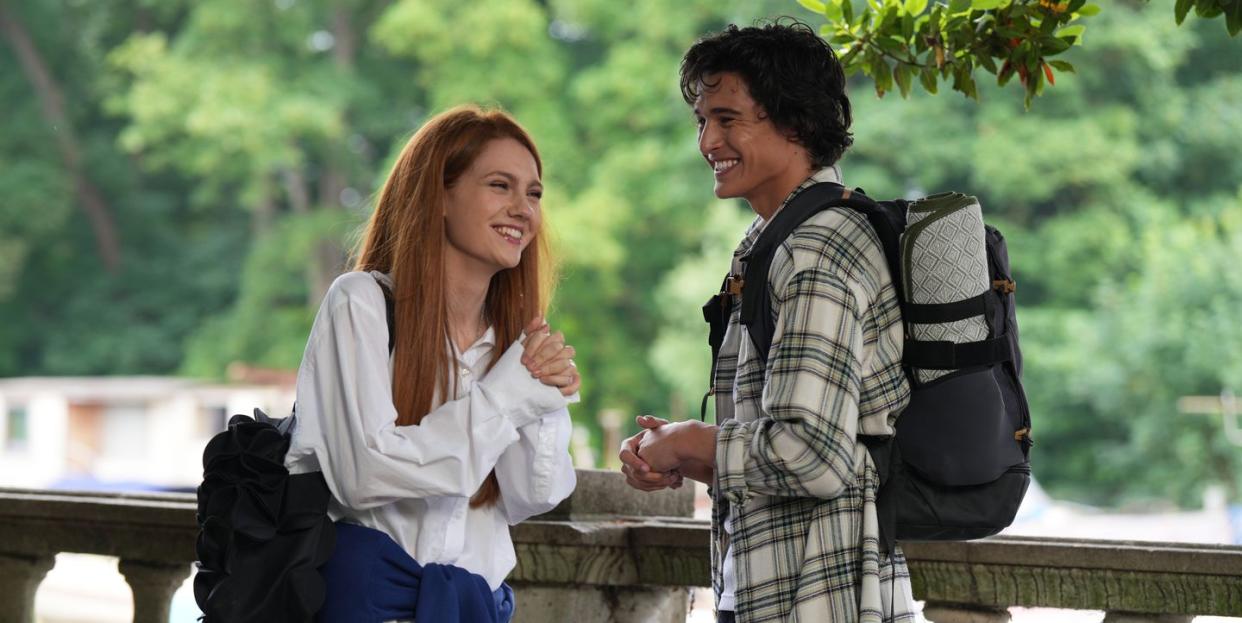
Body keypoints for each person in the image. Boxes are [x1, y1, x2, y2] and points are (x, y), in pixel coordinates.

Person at [618, 22, 915, 623]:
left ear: (796, 122)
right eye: (702, 121)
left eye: (729, 119)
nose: (707, 141)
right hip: (775, 582)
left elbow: (812, 455)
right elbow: (793, 445)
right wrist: (680, 456)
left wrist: (690, 439)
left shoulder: (816, 250)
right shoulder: (778, 237)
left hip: (816, 595)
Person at [285, 105, 580, 623]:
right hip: (367, 607)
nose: (523, 209)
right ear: (439, 195)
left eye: (533, 193)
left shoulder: (509, 343)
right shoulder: (361, 304)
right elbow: (363, 472)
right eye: (500, 186)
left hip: (477, 607)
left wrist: (543, 394)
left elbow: (534, 494)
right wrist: (508, 397)